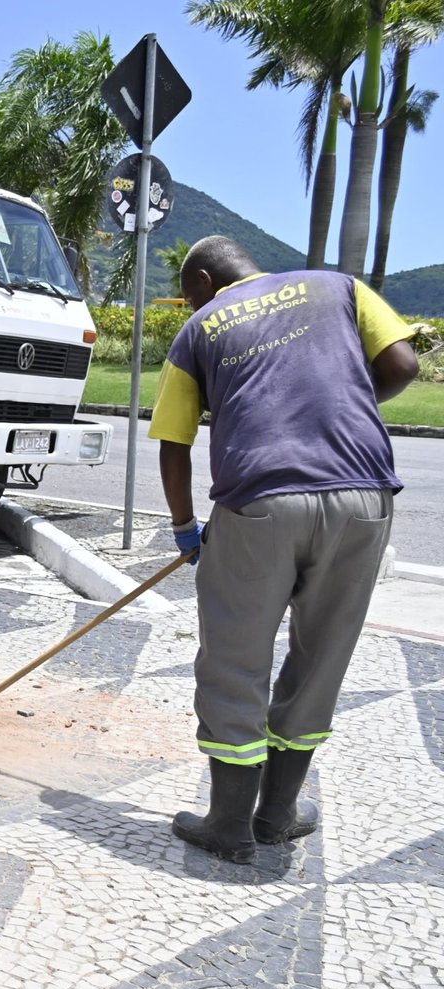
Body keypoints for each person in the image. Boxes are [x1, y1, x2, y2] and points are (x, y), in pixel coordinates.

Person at [149, 235, 419, 865]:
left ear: (206, 284)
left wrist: (186, 528)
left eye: (190, 296)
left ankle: (229, 823)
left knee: (234, 658)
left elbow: (171, 438)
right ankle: (278, 814)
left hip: (261, 505)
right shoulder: (339, 287)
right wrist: (337, 410)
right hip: (363, 498)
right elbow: (403, 364)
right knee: (321, 656)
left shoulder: (201, 326)